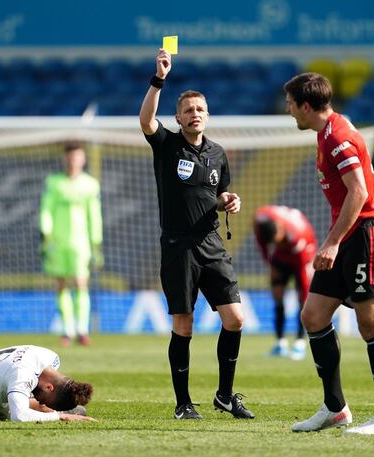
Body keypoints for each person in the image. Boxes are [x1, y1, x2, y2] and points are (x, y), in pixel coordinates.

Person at [283, 73, 374, 435]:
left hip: (366, 233)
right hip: (347, 235)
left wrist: (331, 242)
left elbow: (359, 193)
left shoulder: (337, 136)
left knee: (371, 324)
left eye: (290, 103)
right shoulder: (329, 131)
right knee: (314, 315)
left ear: (305, 105)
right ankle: (335, 408)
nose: (287, 110)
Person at [140, 48, 254, 420]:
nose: (195, 114)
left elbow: (215, 194)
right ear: (178, 117)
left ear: (208, 115)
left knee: (235, 319)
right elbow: (145, 120)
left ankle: (224, 395)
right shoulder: (167, 144)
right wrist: (159, 78)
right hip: (178, 247)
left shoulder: (218, 154)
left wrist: (228, 201)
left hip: (211, 245)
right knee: (184, 325)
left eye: (200, 109)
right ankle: (183, 403)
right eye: (188, 110)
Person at [39, 142, 103, 346]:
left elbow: (94, 214)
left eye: (77, 157)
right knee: (60, 284)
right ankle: (67, 330)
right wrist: (46, 235)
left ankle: (82, 329)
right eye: (70, 157)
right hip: (57, 242)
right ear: (65, 158)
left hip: (80, 242)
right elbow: (46, 210)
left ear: (83, 159)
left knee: (80, 282)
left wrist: (95, 242)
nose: (73, 161)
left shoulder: (90, 184)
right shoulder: (54, 182)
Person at [253, 205, 317, 360]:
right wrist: (269, 262)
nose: (277, 244)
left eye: (278, 242)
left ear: (282, 231)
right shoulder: (261, 218)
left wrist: (304, 292)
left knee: (302, 298)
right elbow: (260, 238)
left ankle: (299, 344)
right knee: (277, 296)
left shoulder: (298, 238)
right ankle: (280, 344)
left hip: (304, 255)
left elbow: (303, 276)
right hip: (280, 258)